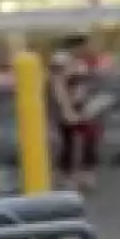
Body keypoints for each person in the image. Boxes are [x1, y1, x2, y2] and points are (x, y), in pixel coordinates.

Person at [49, 34, 100, 190]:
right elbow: (58, 86)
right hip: (65, 106)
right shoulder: (61, 60)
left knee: (90, 136)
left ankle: (85, 172)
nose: (88, 49)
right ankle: (67, 175)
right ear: (77, 46)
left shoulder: (81, 61)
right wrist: (67, 110)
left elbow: (84, 83)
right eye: (85, 46)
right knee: (69, 139)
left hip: (80, 105)